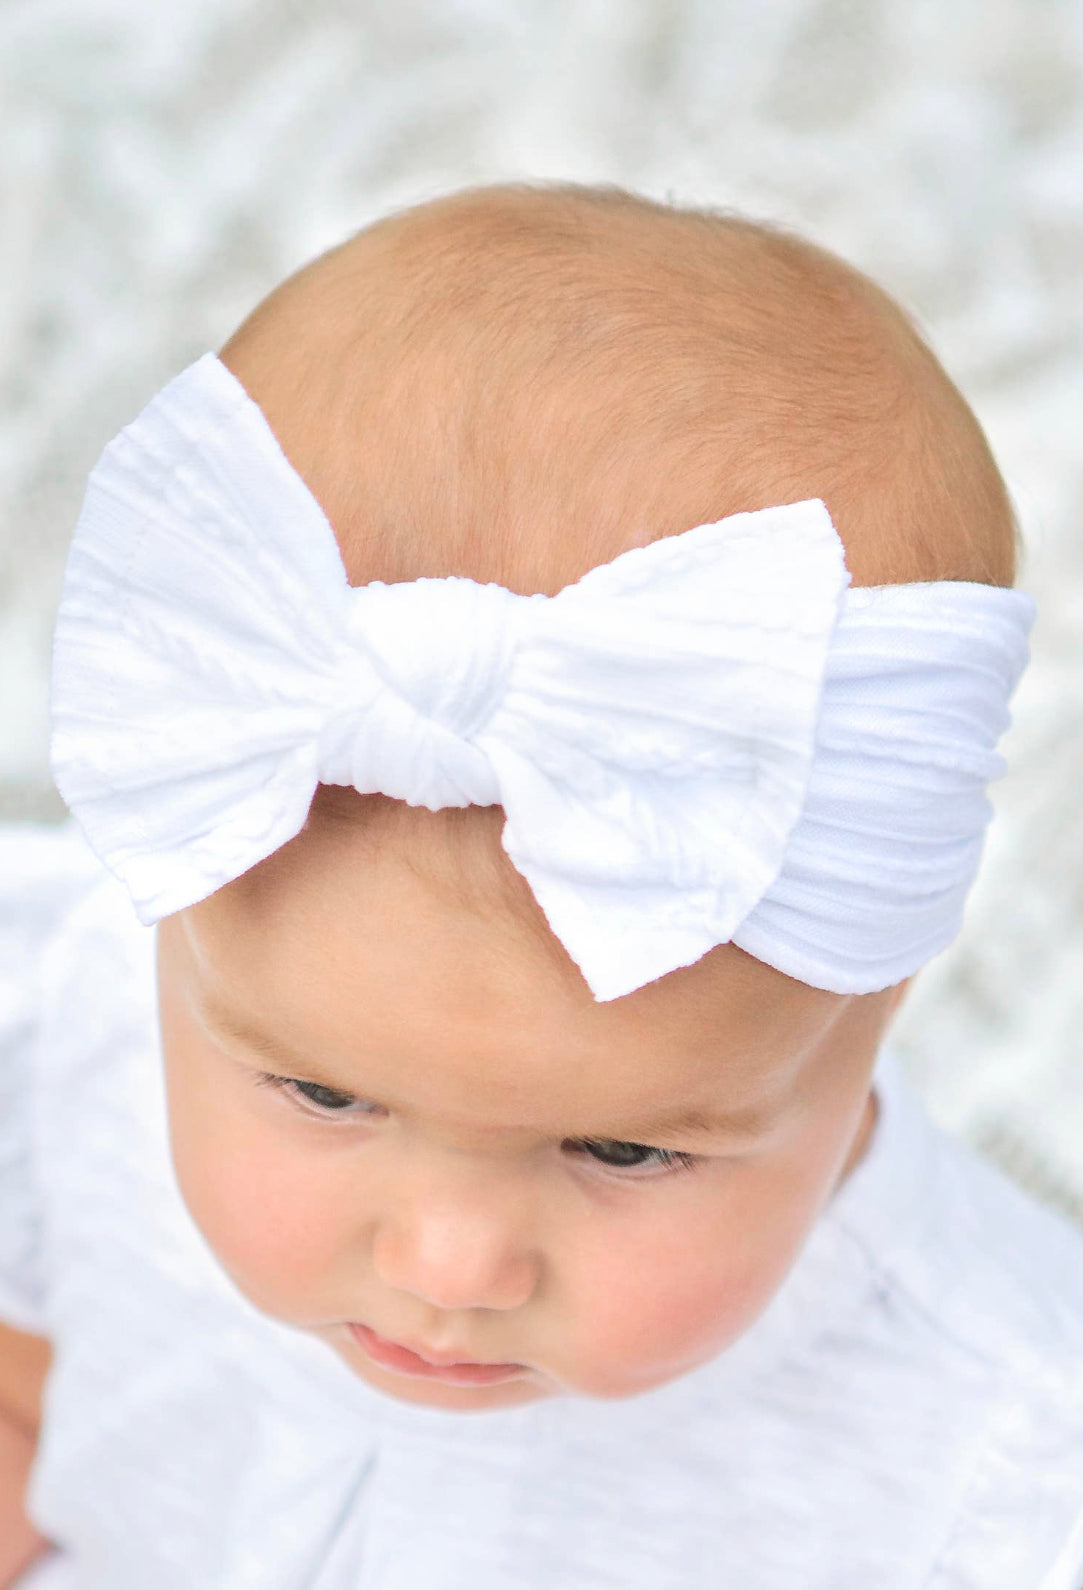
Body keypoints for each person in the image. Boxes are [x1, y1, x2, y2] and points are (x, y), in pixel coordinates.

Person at [1, 181, 1082, 1589]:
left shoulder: (1007, 1469)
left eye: (626, 1150)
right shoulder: (69, 1012)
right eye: (325, 1095)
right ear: (183, 914)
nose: (451, 1266)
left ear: (878, 995)